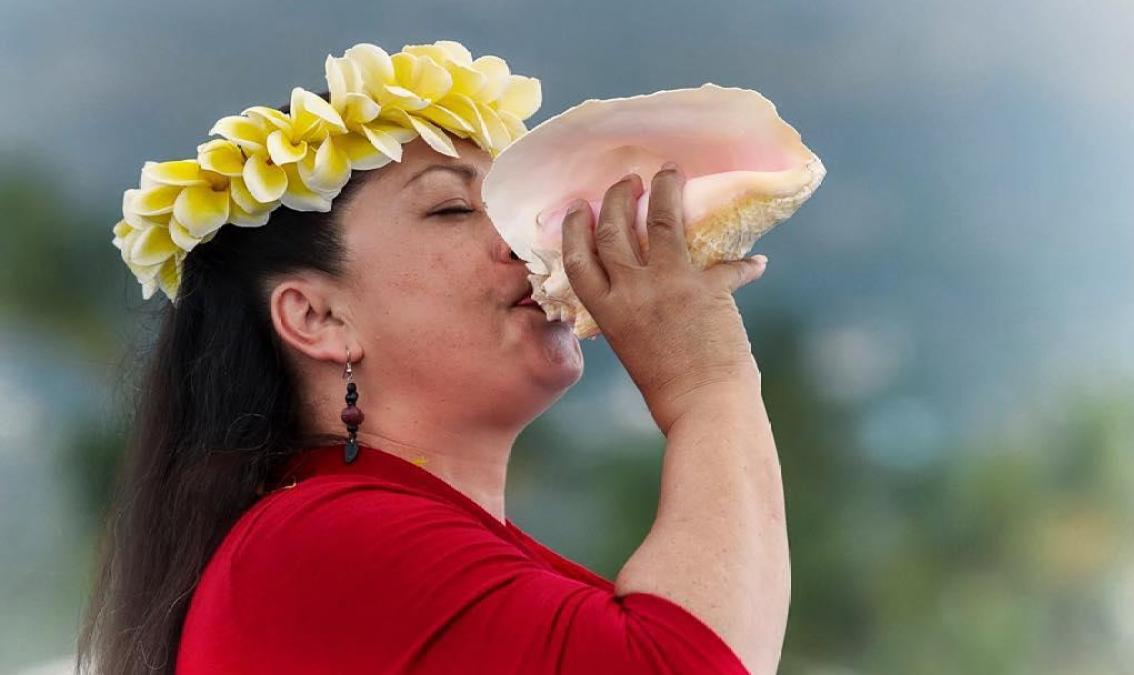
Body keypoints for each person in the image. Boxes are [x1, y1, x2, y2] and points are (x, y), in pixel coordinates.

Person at [78, 40, 789, 675]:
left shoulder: (393, 540)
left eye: (516, 208)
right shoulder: (322, 539)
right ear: (318, 316)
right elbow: (688, 661)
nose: (525, 240)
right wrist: (709, 384)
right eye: (453, 209)